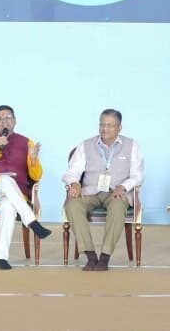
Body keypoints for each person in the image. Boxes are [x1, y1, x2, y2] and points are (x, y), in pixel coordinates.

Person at [0, 105, 51, 270]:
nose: (4, 121)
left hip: (14, 194)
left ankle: (1, 258)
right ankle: (33, 223)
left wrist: (33, 160)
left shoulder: (26, 142)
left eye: (7, 117)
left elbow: (36, 176)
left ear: (14, 121)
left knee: (8, 206)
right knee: (5, 180)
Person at [61, 109, 144, 271]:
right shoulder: (86, 145)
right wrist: (74, 182)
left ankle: (105, 256)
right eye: (102, 124)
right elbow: (71, 172)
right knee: (72, 205)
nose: (104, 129)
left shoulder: (132, 145)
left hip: (116, 193)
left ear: (119, 128)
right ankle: (91, 255)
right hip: (90, 191)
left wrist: (124, 186)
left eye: (110, 125)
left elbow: (138, 175)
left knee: (118, 207)